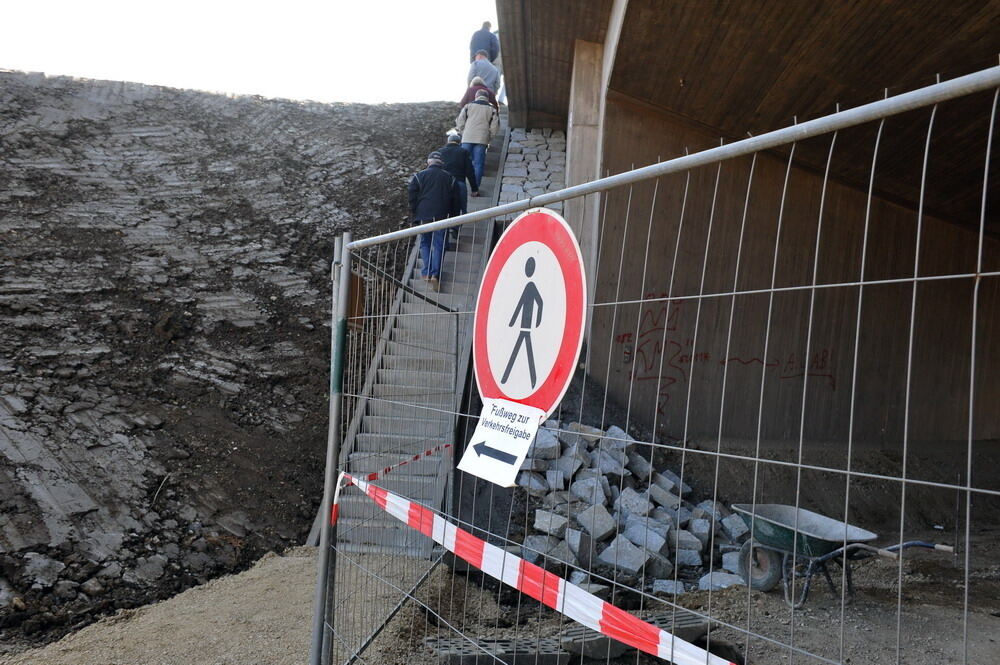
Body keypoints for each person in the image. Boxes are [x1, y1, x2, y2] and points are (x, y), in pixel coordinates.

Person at [408, 152, 461, 291]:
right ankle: (435, 274)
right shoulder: (450, 178)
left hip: (424, 216)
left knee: (425, 243)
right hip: (443, 216)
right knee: (439, 245)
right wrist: (455, 219)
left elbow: (411, 195)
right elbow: (457, 200)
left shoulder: (419, 176)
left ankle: (427, 272)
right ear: (441, 164)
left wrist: (415, 213)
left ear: (428, 162)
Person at [455, 91, 500, 192]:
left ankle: (459, 188)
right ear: (487, 98)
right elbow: (494, 126)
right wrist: (489, 137)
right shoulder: (491, 109)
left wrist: (463, 132)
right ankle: (475, 190)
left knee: (462, 162)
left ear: (476, 96)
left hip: (467, 138)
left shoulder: (468, 106)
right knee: (478, 164)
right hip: (482, 139)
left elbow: (460, 121)